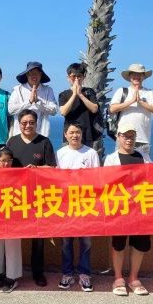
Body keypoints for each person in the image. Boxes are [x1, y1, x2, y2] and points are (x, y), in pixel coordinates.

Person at [104, 121, 153, 296]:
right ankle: (118, 278)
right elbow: (105, 182)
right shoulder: (111, 159)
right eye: (125, 136)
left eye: (132, 136)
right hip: (121, 208)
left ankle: (133, 278)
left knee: (140, 244)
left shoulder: (143, 156)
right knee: (119, 244)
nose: (129, 140)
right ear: (118, 137)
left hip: (141, 208)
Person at [6, 109, 56, 286]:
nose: (28, 125)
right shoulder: (12, 142)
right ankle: (11, 273)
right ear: (19, 124)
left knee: (38, 236)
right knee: (12, 235)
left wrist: (37, 169)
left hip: (38, 195)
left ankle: (38, 272)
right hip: (16, 195)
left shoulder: (44, 142)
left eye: (31, 122)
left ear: (37, 123)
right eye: (24, 122)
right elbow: (5, 166)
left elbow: (52, 168)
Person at [56, 122, 100, 292]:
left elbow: (97, 178)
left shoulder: (91, 153)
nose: (75, 135)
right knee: (66, 242)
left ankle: (84, 274)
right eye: (71, 132)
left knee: (86, 241)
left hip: (86, 205)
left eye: (78, 132)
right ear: (65, 135)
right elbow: (55, 179)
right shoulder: (60, 153)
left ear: (82, 134)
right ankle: (67, 274)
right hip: (66, 205)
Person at [108, 64, 153, 155]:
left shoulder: (150, 93)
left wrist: (141, 102)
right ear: (129, 76)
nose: (137, 76)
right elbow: (112, 109)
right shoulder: (122, 91)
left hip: (143, 139)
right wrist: (131, 101)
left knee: (143, 164)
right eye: (134, 74)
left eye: (140, 74)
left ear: (144, 76)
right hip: (123, 138)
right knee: (121, 163)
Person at [0, 147, 22, 293]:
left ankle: (12, 277)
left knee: (12, 244)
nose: (6, 163)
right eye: (3, 161)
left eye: (9, 160)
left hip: (13, 214)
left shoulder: (17, 175)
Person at [8, 61, 57, 137]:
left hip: (41, 136)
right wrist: (29, 102)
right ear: (27, 74)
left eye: (37, 73)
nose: (34, 76)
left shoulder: (47, 90)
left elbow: (54, 111)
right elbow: (11, 110)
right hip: (20, 136)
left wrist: (38, 103)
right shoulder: (18, 89)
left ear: (41, 75)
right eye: (31, 73)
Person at [58, 63, 100, 147]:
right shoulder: (63, 94)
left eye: (79, 76)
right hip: (69, 135)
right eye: (73, 76)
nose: (76, 79)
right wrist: (74, 94)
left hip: (87, 135)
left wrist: (80, 94)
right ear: (68, 78)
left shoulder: (89, 92)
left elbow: (94, 109)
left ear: (83, 77)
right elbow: (63, 112)